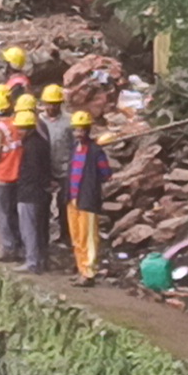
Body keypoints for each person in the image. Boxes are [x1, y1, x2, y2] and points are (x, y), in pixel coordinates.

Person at [66, 110, 112, 286]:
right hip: (72, 197)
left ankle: (89, 272)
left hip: (87, 199)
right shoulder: (74, 149)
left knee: (88, 237)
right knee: (76, 236)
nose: (78, 133)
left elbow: (106, 174)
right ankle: (81, 268)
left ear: (88, 130)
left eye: (81, 130)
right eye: (76, 130)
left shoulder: (95, 151)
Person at [0, 90, 26, 263]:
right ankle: (19, 246)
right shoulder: (17, 123)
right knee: (14, 213)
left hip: (2, 175)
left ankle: (8, 248)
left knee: (2, 214)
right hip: (17, 173)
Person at [12, 104, 51, 274]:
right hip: (40, 193)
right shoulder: (41, 142)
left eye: (21, 129)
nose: (18, 132)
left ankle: (32, 261)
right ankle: (40, 260)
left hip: (29, 193)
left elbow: (33, 171)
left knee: (29, 229)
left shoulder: (30, 146)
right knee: (39, 228)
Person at [37, 85, 73, 243]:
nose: (51, 107)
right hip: (45, 168)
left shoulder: (68, 121)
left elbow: (74, 144)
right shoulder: (37, 121)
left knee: (64, 204)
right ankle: (43, 235)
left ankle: (66, 235)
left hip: (65, 167)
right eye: (49, 104)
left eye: (55, 104)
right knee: (42, 204)